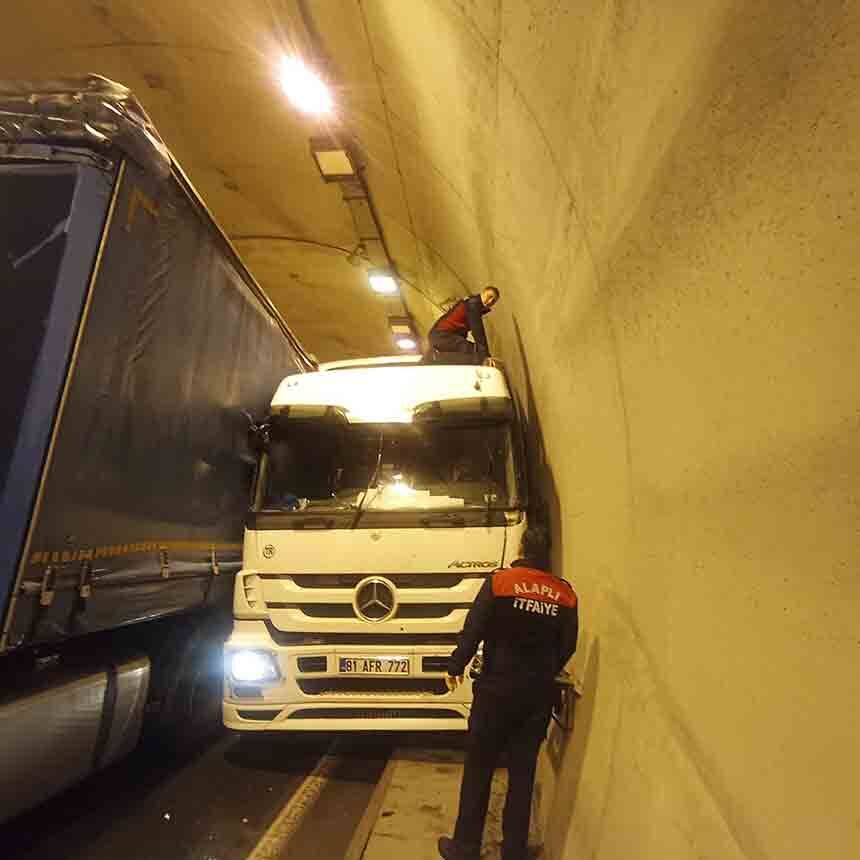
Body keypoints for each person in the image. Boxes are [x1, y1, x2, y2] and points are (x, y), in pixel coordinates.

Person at [438, 526, 578, 860]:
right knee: (523, 772)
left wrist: (455, 666)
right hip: (535, 698)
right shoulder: (565, 594)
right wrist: (543, 671)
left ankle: (465, 847)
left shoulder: (500, 582)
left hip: (495, 692)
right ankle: (513, 850)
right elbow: (567, 646)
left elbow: (475, 628)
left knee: (479, 767)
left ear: (521, 548)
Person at [428, 286, 500, 363]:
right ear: (482, 293)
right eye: (489, 297)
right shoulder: (473, 304)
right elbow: (478, 331)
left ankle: (438, 359)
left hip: (441, 336)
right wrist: (486, 355)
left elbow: (463, 328)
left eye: (493, 301)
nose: (490, 301)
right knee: (476, 352)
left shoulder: (472, 303)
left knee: (471, 351)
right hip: (442, 336)